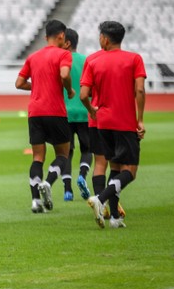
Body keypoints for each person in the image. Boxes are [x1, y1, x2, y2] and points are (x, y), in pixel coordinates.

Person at [81, 21, 146, 229]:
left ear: (105, 39)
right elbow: (140, 91)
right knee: (131, 171)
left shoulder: (93, 60)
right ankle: (101, 198)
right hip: (124, 122)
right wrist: (140, 119)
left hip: (102, 123)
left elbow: (84, 94)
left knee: (114, 166)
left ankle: (115, 218)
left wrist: (92, 111)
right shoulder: (134, 59)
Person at [15, 19, 74, 214]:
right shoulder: (64, 54)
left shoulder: (33, 57)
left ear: (45, 36)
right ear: (61, 36)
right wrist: (69, 90)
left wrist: (38, 86)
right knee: (63, 155)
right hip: (55, 111)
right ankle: (48, 183)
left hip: (35, 112)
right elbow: (65, 75)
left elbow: (19, 83)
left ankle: (35, 201)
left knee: (38, 157)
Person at [62, 28, 92, 201]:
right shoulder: (86, 61)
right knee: (87, 149)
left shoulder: (60, 61)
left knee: (66, 151)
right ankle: (82, 175)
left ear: (67, 42)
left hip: (64, 112)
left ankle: (67, 190)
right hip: (84, 110)